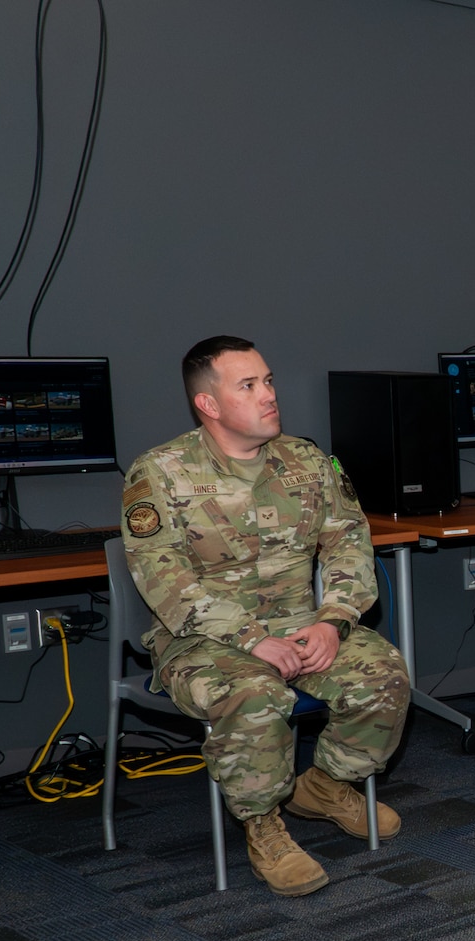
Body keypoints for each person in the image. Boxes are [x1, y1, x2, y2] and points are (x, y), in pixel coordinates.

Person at [123, 336, 410, 896]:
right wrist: (252, 638)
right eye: (248, 385)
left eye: (269, 381)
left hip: (304, 625)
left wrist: (334, 619)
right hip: (203, 642)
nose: (269, 395)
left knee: (385, 675)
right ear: (209, 404)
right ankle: (263, 826)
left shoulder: (307, 460)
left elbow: (350, 541)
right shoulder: (160, 471)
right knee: (258, 697)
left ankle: (325, 786)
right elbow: (163, 578)